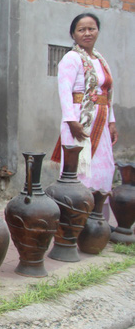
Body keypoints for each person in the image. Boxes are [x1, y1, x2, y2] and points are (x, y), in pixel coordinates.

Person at [52, 13, 117, 219]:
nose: (87, 33)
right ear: (73, 34)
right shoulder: (71, 58)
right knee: (80, 168)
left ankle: (97, 220)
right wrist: (71, 121)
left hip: (102, 120)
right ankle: (75, 220)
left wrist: (112, 122)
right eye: (82, 30)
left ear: (97, 31)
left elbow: (105, 94)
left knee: (104, 167)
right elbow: (64, 91)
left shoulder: (99, 59)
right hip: (80, 121)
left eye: (91, 29)